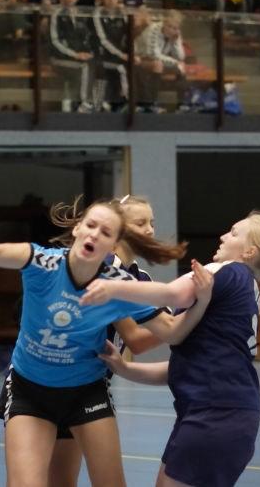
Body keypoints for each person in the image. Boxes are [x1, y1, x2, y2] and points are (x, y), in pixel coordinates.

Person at [0, 197, 213, 487]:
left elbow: (172, 331)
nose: (94, 234)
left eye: (105, 232)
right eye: (90, 225)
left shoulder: (120, 285)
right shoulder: (43, 262)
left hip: (86, 392)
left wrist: (203, 302)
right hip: (29, 389)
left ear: (114, 243)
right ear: (78, 228)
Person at [84, 213, 260, 487]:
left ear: (249, 252)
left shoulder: (226, 270)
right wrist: (125, 368)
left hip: (215, 415)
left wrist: (111, 285)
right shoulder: (245, 288)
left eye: (233, 233)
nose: (223, 236)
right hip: (220, 413)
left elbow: (171, 294)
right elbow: (184, 367)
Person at [40, 195, 171, 487]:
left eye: (151, 222)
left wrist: (176, 319)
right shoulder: (104, 268)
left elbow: (158, 329)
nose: (150, 230)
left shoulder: (139, 276)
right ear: (118, 228)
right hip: (55, 381)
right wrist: (189, 318)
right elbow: (136, 340)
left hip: (87, 385)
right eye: (141, 223)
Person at [50, 0, 97, 113]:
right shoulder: (56, 15)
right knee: (85, 66)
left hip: (77, 58)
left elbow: (86, 38)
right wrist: (75, 55)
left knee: (94, 61)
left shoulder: (81, 14)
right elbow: (55, 42)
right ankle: (84, 102)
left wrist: (88, 52)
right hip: (59, 59)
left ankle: (95, 102)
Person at [134, 9, 188, 113]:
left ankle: (181, 104)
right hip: (140, 58)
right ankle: (151, 103)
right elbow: (153, 54)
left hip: (159, 60)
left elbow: (181, 57)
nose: (171, 30)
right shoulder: (153, 30)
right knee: (158, 65)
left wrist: (176, 41)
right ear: (164, 22)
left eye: (175, 28)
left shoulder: (176, 33)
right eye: (169, 26)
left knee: (182, 68)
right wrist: (175, 62)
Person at [94, 0, 133, 112]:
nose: (111, 0)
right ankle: (117, 101)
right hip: (102, 55)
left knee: (134, 65)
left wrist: (130, 54)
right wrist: (121, 54)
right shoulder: (97, 14)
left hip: (120, 54)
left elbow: (129, 35)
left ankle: (127, 102)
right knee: (119, 68)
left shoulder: (122, 14)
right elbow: (103, 40)